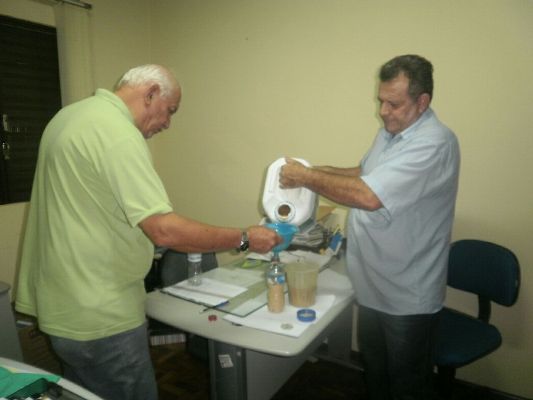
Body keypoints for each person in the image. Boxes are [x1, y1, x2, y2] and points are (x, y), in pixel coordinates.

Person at [15, 64, 281, 400]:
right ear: (151, 93)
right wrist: (245, 237)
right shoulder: (117, 133)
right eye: (170, 110)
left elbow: (87, 210)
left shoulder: (69, 117)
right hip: (102, 317)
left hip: (62, 308)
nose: (168, 123)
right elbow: (164, 230)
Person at [279, 55, 460, 400]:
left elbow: (368, 195)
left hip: (407, 293)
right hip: (374, 282)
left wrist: (306, 177)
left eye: (394, 104)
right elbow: (364, 174)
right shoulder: (390, 134)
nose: (383, 111)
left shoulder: (434, 143)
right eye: (381, 101)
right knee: (376, 371)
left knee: (408, 385)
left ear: (422, 102)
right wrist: (314, 171)